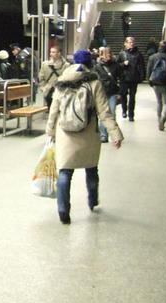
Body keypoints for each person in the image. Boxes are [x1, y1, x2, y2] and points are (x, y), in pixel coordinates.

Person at [46, 50, 123, 225]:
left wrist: (50, 132)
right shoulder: (94, 82)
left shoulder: (62, 81)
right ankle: (92, 200)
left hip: (65, 132)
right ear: (89, 64)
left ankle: (63, 211)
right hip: (88, 132)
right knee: (91, 168)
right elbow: (104, 111)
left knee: (65, 172)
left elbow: (54, 110)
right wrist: (115, 134)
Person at [146, 40, 166, 131]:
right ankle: (163, 119)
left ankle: (159, 120)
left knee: (159, 102)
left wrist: (149, 81)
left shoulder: (152, 57)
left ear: (159, 46)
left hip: (155, 82)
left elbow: (149, 70)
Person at [94, 47, 122, 143]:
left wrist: (120, 93)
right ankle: (103, 135)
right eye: (105, 54)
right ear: (101, 55)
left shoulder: (116, 65)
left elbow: (121, 78)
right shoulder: (97, 67)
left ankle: (113, 134)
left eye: (109, 54)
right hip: (101, 93)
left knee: (112, 113)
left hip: (113, 92)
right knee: (103, 114)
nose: (108, 56)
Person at [116, 36, 145, 121]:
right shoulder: (122, 53)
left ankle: (131, 114)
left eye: (132, 42)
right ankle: (124, 110)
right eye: (129, 42)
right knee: (123, 95)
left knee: (132, 97)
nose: (131, 44)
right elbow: (117, 66)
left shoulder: (138, 54)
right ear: (125, 43)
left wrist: (142, 76)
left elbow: (142, 66)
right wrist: (123, 64)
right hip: (123, 78)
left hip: (134, 78)